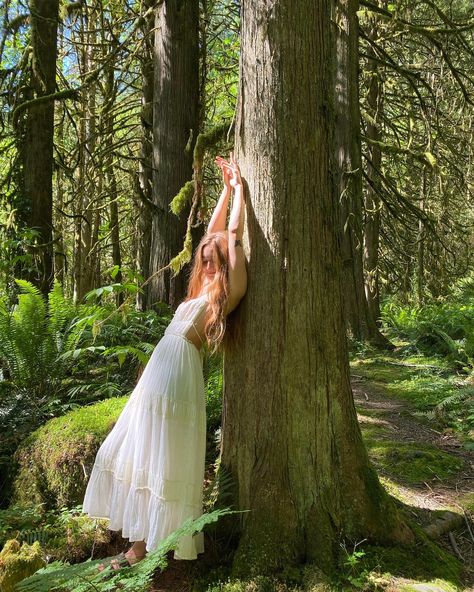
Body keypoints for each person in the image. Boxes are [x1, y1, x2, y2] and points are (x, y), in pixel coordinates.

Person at [82, 154, 247, 570]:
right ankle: (136, 548)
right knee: (137, 451)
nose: (207, 264)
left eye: (214, 260)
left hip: (180, 375)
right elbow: (212, 232)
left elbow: (229, 232)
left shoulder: (229, 291)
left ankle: (150, 549)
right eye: (205, 259)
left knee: (163, 457)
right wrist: (224, 189)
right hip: (159, 370)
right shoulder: (203, 283)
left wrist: (241, 191)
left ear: (227, 262)